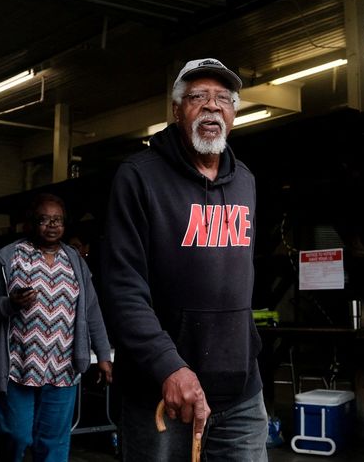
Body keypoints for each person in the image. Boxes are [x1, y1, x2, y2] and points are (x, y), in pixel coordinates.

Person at [101, 57, 265, 461]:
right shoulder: (139, 176)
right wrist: (168, 366)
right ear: (177, 110)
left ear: (234, 114)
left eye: (223, 98)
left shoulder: (245, 180)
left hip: (241, 390)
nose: (212, 106)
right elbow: (121, 288)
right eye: (197, 96)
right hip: (162, 390)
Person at [0, 194, 113, 462]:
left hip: (63, 367)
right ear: (31, 223)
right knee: (16, 435)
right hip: (17, 367)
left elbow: (91, 310)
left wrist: (103, 354)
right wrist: (8, 304)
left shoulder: (74, 260)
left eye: (57, 220)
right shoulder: (10, 257)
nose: (51, 225)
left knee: (54, 443)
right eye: (44, 219)